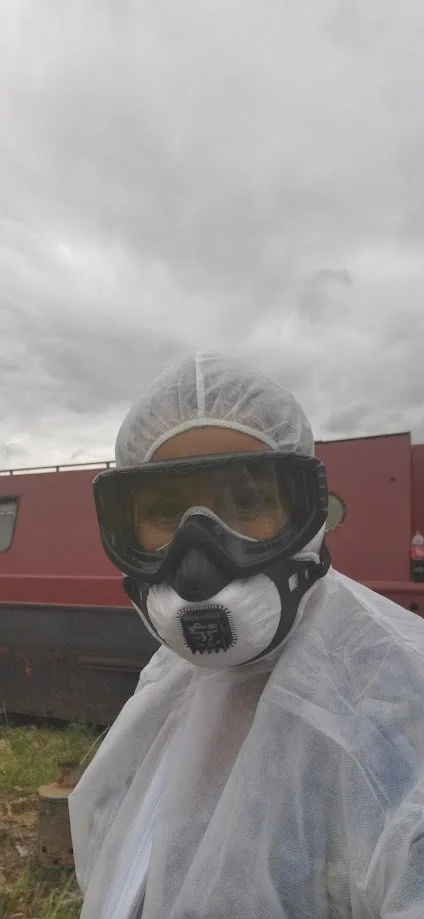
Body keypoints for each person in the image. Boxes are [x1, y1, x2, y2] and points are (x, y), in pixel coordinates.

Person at [69, 352, 424, 919]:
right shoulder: (172, 674)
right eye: (164, 512)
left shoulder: (402, 692)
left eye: (251, 501)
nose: (199, 556)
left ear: (306, 512)